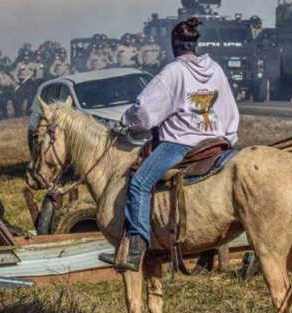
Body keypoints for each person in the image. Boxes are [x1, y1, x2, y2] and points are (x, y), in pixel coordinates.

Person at [99, 18, 240, 271]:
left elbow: (144, 112)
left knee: (140, 182)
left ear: (175, 44)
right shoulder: (216, 69)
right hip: (216, 142)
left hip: (180, 145)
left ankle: (135, 249)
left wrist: (127, 120)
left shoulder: (173, 72)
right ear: (196, 44)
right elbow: (230, 108)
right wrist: (228, 138)